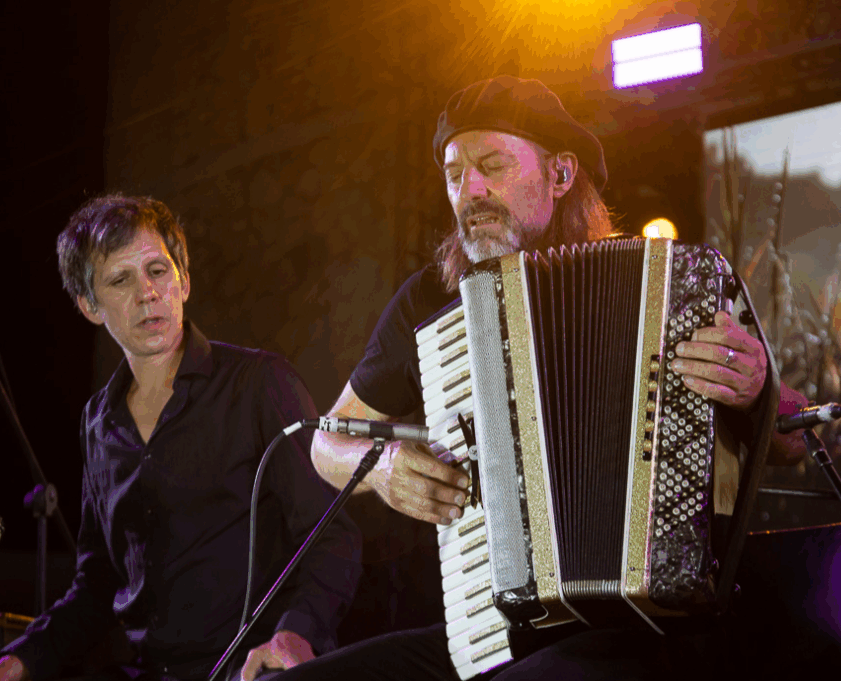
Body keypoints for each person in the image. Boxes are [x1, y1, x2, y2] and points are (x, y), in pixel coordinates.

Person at [278, 76, 810, 680]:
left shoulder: (666, 290)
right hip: (491, 630)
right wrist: (387, 469)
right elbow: (326, 444)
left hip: (640, 634)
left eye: (492, 165)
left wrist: (760, 390)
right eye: (454, 175)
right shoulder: (429, 300)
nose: (469, 190)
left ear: (560, 176)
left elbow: (798, 441)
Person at [0, 196, 361, 681]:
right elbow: (98, 583)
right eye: (120, 280)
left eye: (157, 270)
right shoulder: (98, 423)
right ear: (89, 306)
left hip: (255, 669)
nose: (147, 292)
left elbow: (332, 535)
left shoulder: (260, 384)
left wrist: (298, 630)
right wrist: (18, 663)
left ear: (184, 281)